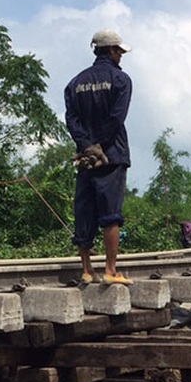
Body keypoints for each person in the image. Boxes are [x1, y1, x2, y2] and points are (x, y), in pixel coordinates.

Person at [65, 29, 134, 285]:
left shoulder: (75, 82)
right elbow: (117, 118)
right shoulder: (120, 80)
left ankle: (86, 270)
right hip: (111, 156)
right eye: (120, 52)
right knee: (111, 214)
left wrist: (86, 146)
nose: (121, 57)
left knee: (84, 210)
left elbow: (71, 118)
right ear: (112, 51)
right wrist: (100, 146)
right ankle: (110, 270)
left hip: (85, 158)